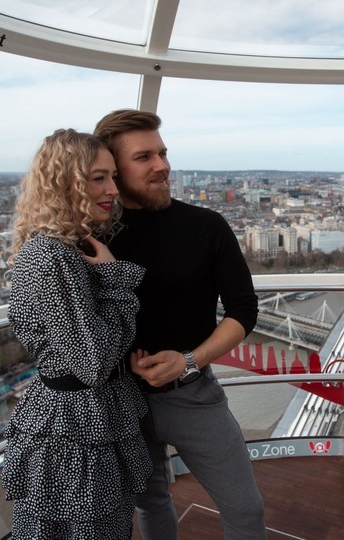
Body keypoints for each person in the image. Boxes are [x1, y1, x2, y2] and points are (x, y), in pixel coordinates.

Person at [93, 109, 266, 540]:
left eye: (163, 153)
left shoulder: (206, 226)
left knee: (245, 507)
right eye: (145, 157)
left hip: (191, 394)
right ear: (114, 170)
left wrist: (189, 361)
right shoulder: (94, 238)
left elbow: (244, 310)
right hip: (121, 400)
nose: (162, 166)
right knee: (150, 505)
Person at [2, 129, 151, 539]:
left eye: (113, 177)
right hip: (75, 424)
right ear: (63, 181)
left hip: (84, 416)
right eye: (98, 177)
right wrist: (114, 279)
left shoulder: (67, 247)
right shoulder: (52, 257)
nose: (113, 190)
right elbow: (92, 362)